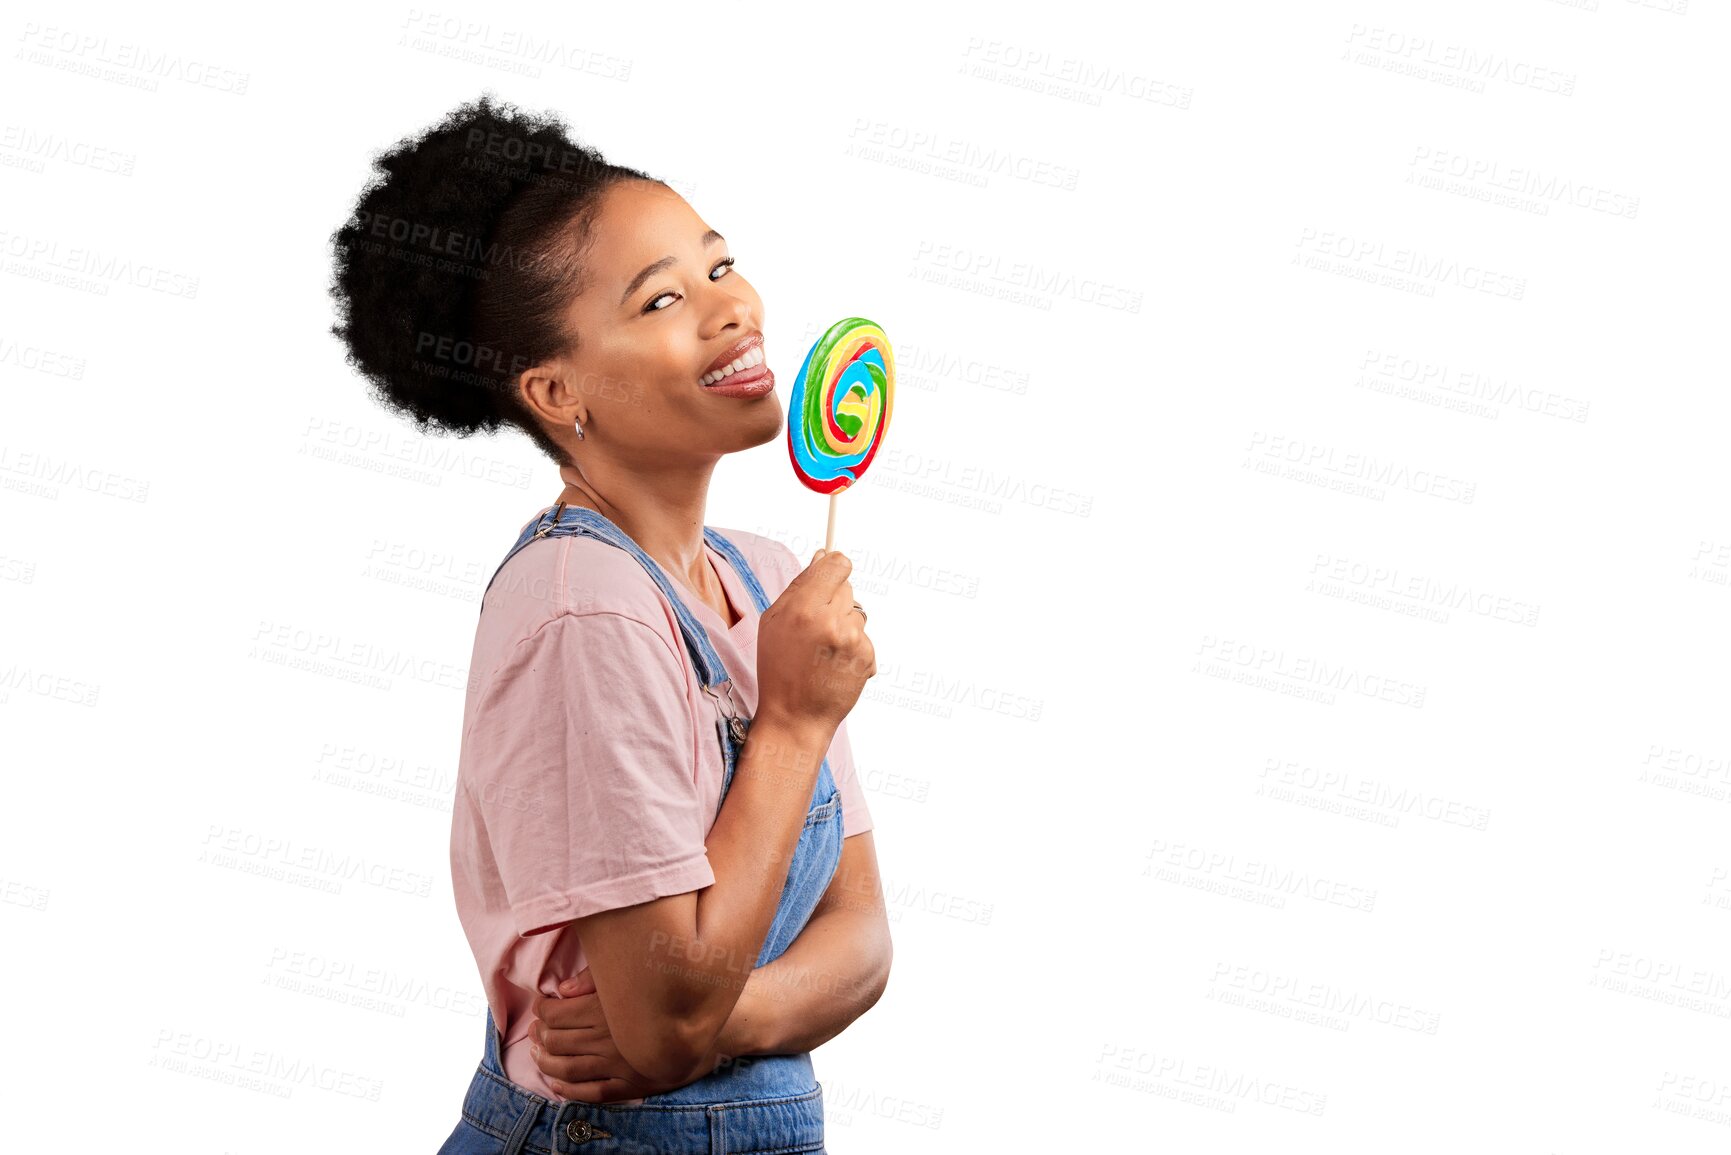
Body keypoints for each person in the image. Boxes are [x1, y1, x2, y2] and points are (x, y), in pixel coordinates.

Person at [328, 94, 893, 1154]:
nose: (732, 310)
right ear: (556, 390)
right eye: (660, 301)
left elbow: (861, 946)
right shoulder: (581, 607)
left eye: (720, 268)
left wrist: (722, 1018)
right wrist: (793, 724)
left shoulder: (770, 582)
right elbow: (665, 1022)